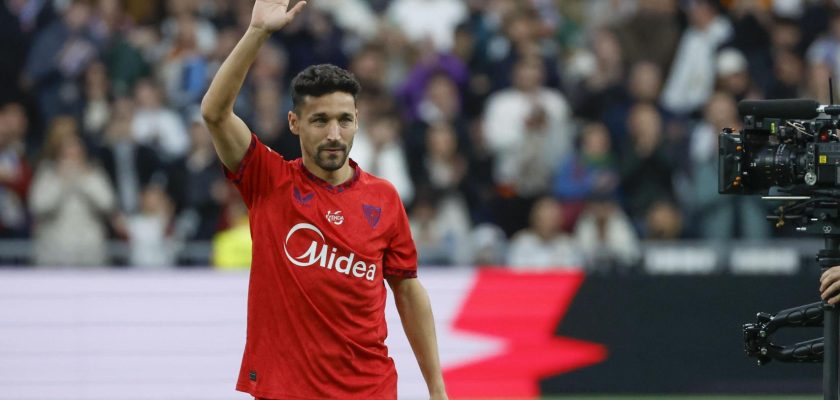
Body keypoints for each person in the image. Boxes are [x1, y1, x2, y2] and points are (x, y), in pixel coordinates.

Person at [199, 1, 447, 399]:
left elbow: (407, 289)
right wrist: (257, 33)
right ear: (294, 123)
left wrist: (437, 387)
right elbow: (214, 112)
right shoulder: (268, 180)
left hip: (370, 390)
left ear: (357, 121)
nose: (334, 133)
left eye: (344, 120)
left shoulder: (383, 198)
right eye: (320, 120)